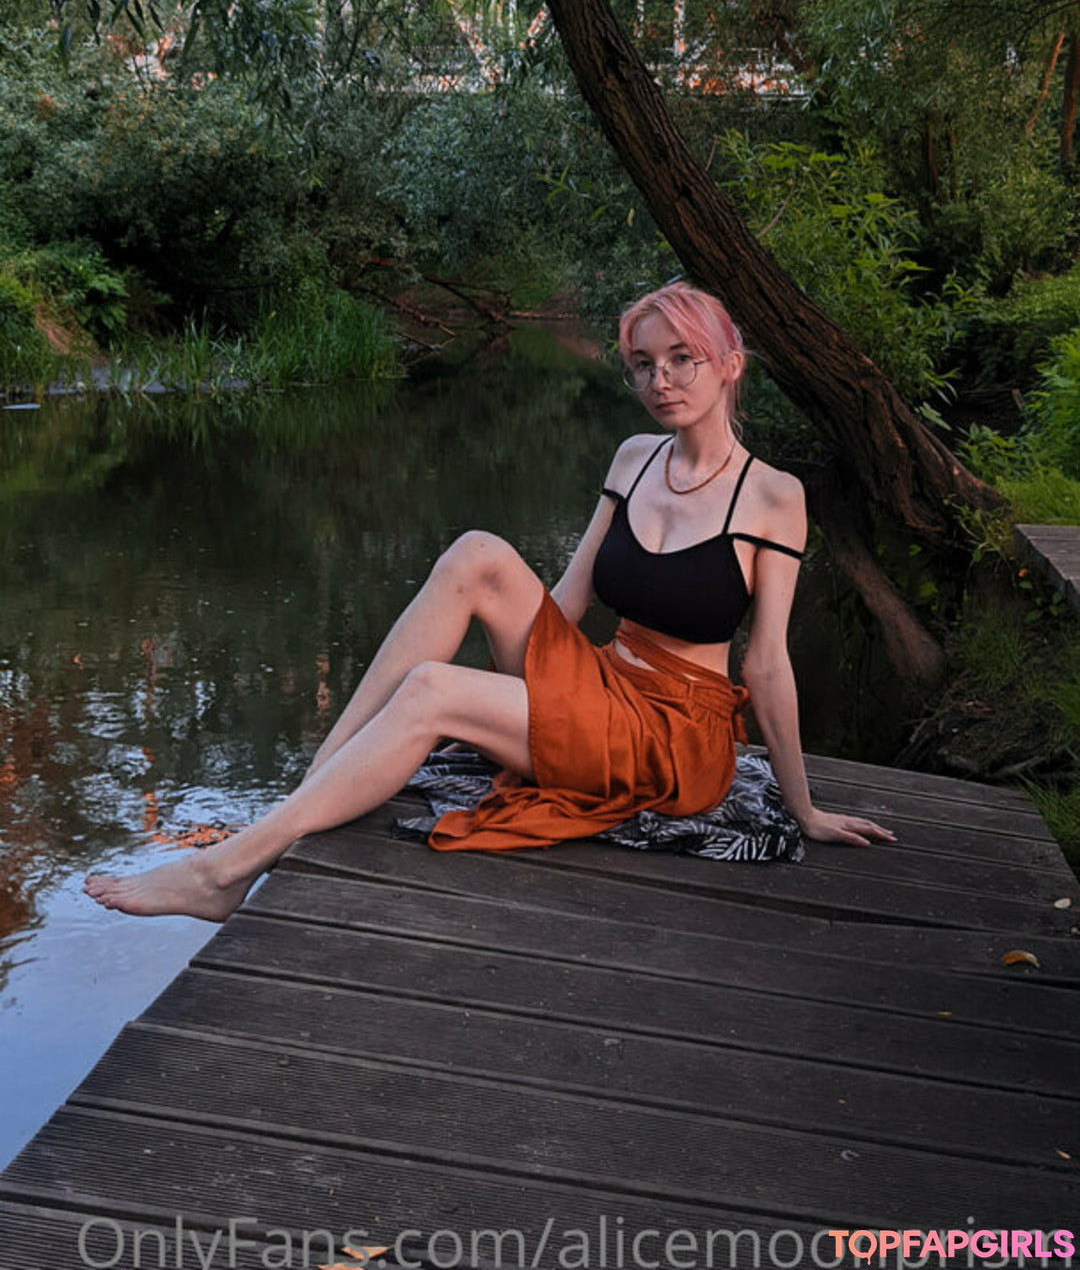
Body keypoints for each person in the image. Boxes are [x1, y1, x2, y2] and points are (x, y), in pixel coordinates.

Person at [84, 281, 893, 922]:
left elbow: (768, 663)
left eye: (683, 359)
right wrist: (522, 687)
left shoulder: (772, 497)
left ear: (730, 364)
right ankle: (312, 784)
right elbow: (567, 599)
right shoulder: (634, 458)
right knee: (477, 553)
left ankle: (223, 872)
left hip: (673, 736)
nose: (661, 380)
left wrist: (804, 808)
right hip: (604, 682)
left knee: (432, 691)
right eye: (644, 364)